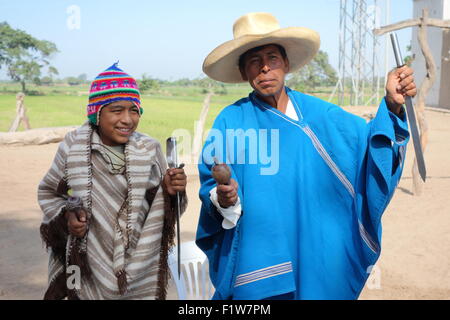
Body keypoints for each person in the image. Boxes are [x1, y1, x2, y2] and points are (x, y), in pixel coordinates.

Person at [196, 12, 416, 300]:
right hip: (260, 260)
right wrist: (224, 200)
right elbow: (212, 186)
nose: (264, 68)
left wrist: (392, 104)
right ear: (243, 72)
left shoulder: (320, 113)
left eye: (272, 57)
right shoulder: (231, 122)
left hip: (317, 250)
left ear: (285, 63)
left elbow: (367, 148)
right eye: (253, 61)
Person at [38, 63, 187, 300]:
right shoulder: (73, 147)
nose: (127, 119)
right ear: (97, 113)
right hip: (88, 262)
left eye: (134, 110)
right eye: (117, 111)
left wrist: (170, 191)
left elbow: (164, 208)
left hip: (141, 259)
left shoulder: (149, 149)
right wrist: (68, 215)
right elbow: (49, 193)